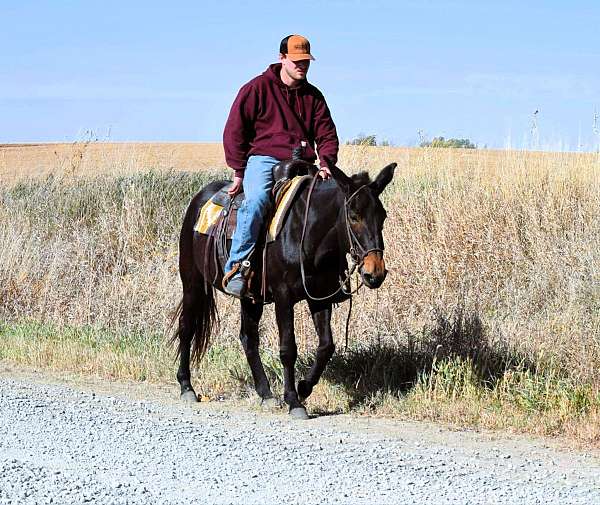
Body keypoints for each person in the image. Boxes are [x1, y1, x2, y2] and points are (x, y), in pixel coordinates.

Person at [222, 34, 339, 297]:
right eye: (296, 60)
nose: (302, 66)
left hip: (303, 162)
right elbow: (234, 131)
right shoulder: (257, 88)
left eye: (306, 61)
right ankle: (237, 268)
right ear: (282, 58)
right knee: (257, 202)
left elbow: (327, 135)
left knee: (330, 203)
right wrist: (239, 170)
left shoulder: (314, 97)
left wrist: (326, 164)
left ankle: (331, 271)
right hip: (265, 159)